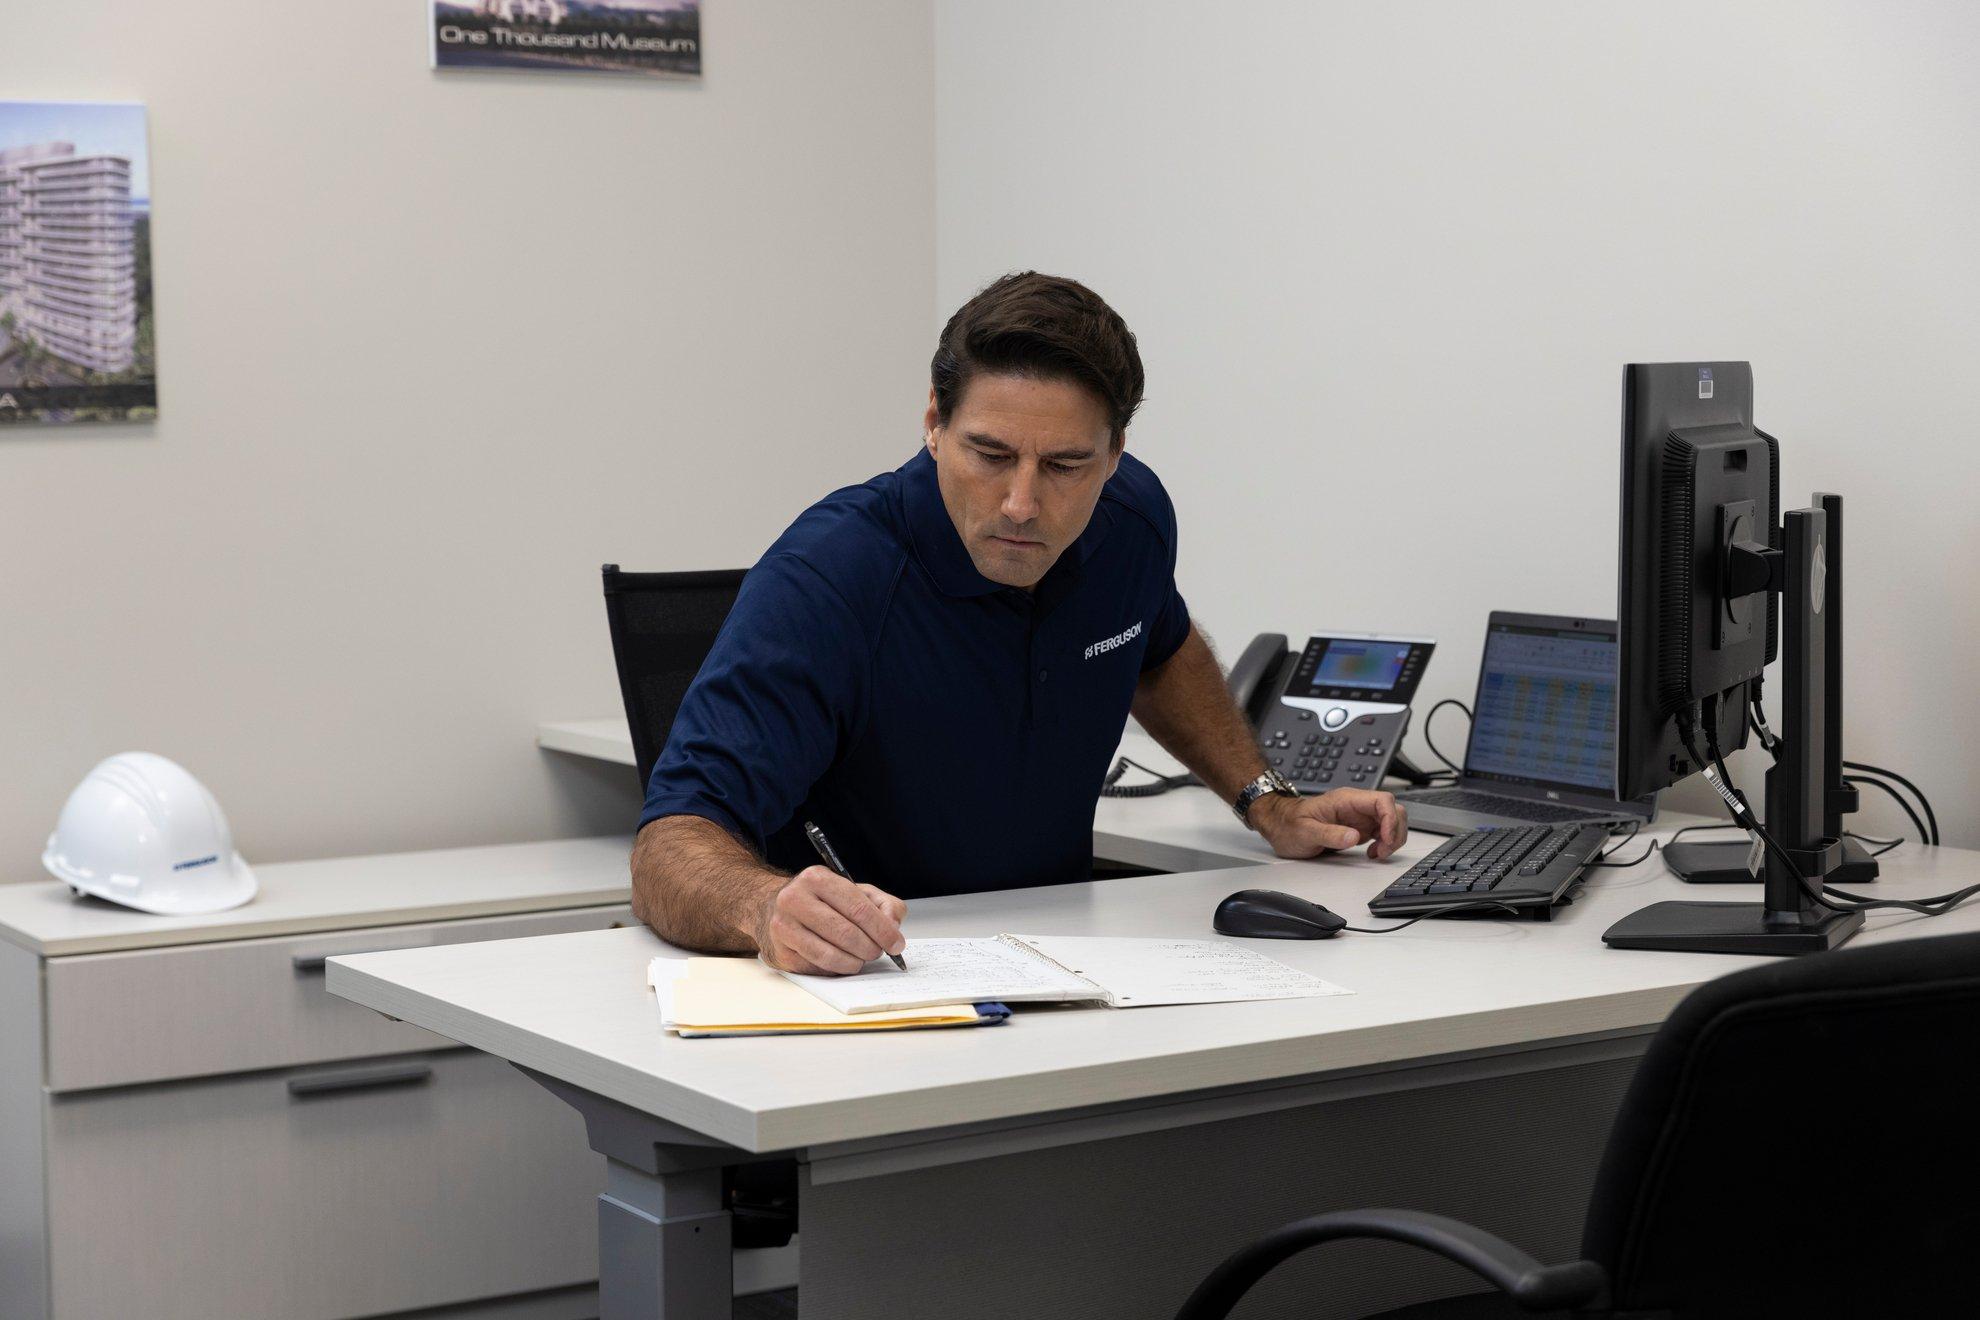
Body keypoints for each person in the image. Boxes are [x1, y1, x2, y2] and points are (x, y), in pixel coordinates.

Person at [631, 272, 1406, 973]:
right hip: (876, 975)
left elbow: (1158, 649)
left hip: (1057, 954)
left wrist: (1268, 801)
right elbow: (669, 844)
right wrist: (764, 908)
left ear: (1114, 455)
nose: (1022, 505)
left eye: (1066, 465)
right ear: (933, 421)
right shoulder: (829, 577)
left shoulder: (1130, 520)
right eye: (989, 453)